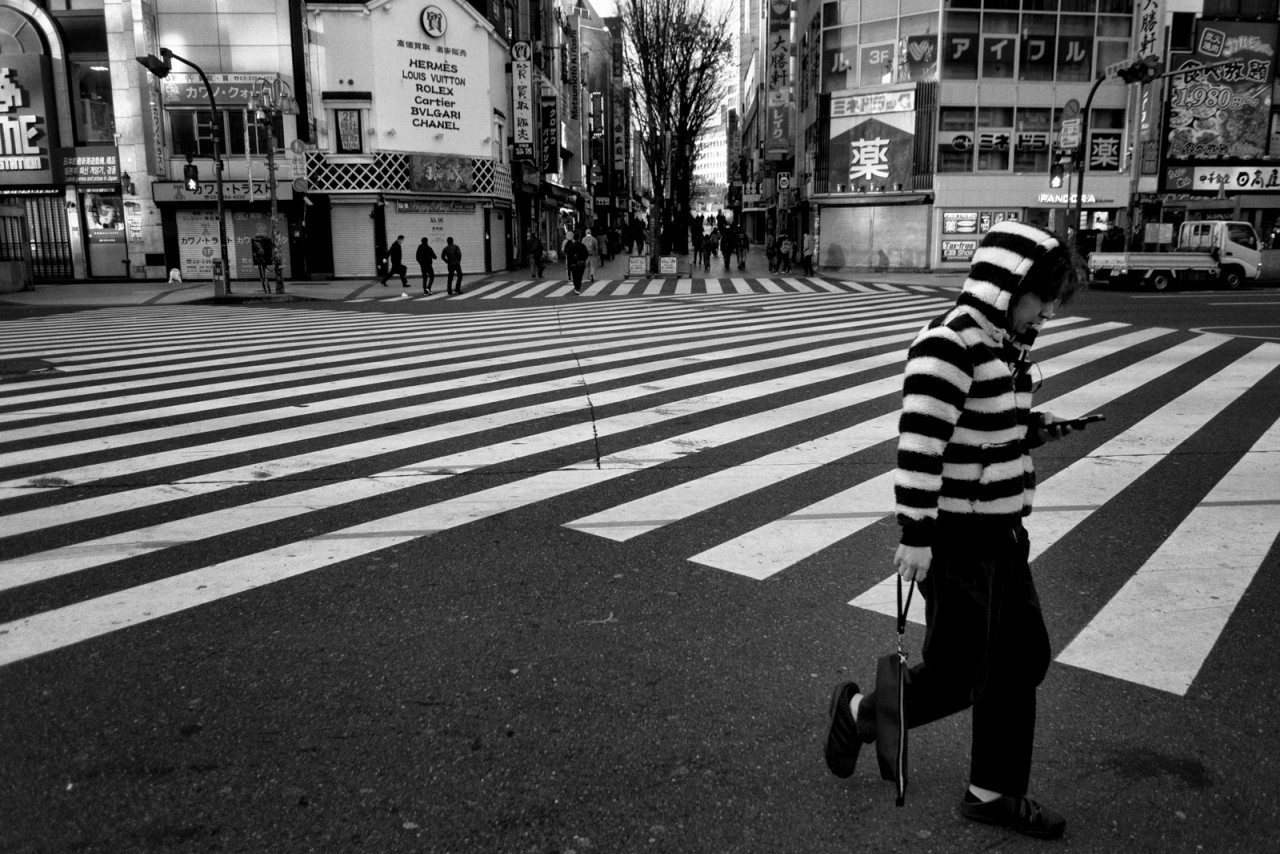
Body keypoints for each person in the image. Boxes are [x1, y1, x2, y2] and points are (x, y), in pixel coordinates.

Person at [823, 220, 1086, 840]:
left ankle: (993, 792)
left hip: (1003, 534)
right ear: (1005, 286)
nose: (1047, 312)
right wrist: (915, 534)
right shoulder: (950, 345)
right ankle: (860, 712)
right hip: (957, 540)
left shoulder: (1003, 348)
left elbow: (984, 430)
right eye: (1041, 297)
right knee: (960, 672)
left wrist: (1035, 429)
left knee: (1020, 659)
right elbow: (920, 447)